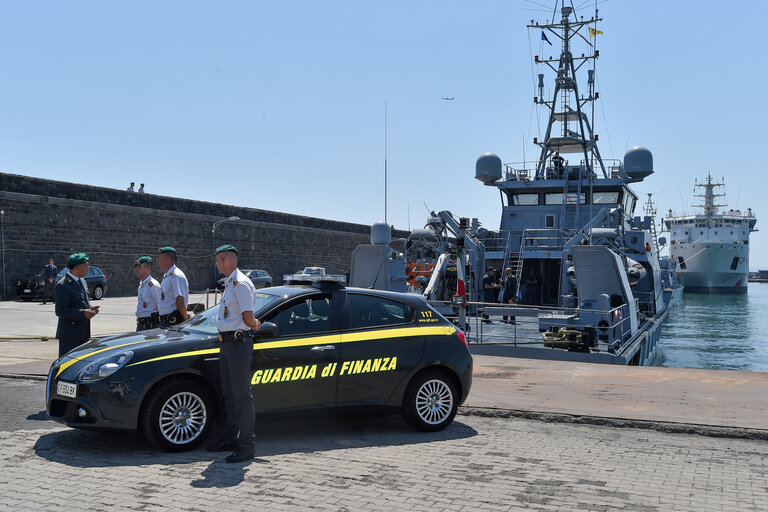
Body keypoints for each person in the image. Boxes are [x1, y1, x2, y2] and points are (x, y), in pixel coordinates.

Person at [206, 244, 260, 463]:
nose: (216, 264)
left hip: (238, 343)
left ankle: (247, 446)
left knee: (241, 397)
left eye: (217, 260)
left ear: (223, 260)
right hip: (228, 344)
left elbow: (248, 316)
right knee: (229, 395)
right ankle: (231, 438)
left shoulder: (240, 284)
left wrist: (255, 324)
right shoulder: (230, 283)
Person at [55, 253, 99, 356]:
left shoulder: (82, 281)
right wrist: (83, 313)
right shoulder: (63, 285)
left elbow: (81, 302)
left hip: (82, 333)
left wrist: (90, 309)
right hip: (69, 336)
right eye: (86, 265)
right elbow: (60, 311)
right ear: (77, 267)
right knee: (68, 366)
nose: (88, 268)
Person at [156, 246, 189, 327]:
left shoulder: (176, 276)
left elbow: (180, 301)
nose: (157, 260)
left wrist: (186, 320)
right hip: (166, 321)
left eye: (159, 258)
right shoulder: (167, 276)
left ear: (167, 260)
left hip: (173, 322)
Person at [134, 256, 161, 331]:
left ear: (148, 269)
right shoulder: (141, 286)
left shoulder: (153, 285)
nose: (136, 269)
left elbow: (160, 305)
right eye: (136, 267)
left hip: (151, 325)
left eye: (139, 267)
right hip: (141, 324)